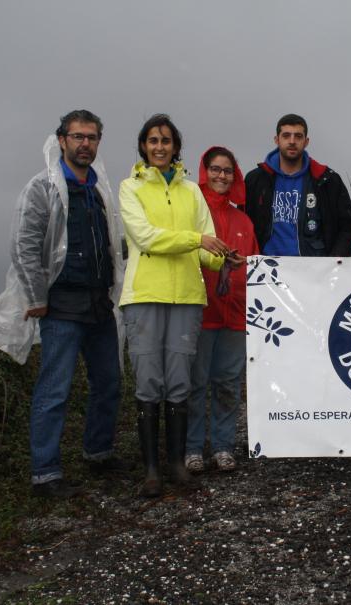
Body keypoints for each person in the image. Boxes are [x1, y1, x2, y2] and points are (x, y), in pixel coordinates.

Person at [0, 109, 128, 498]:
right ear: (61, 140)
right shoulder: (42, 187)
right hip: (60, 306)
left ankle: (98, 453)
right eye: (77, 137)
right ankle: (45, 473)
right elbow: (24, 246)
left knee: (109, 382)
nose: (85, 144)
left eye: (92, 138)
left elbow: (115, 245)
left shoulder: (101, 190)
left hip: (98, 304)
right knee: (54, 390)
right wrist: (37, 297)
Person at [118, 115, 243, 497]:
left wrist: (223, 257)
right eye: (153, 140)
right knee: (148, 380)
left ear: (176, 147)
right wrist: (198, 241)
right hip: (145, 295)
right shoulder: (130, 187)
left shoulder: (192, 191)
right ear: (143, 145)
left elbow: (207, 246)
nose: (160, 147)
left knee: (178, 381)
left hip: (187, 297)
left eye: (167, 141)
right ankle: (151, 470)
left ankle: (176, 465)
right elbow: (144, 237)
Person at [185, 147, 259, 473]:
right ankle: (192, 448)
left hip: (235, 313)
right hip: (202, 311)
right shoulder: (193, 213)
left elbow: (254, 263)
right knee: (196, 382)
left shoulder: (243, 219)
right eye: (215, 169)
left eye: (227, 171)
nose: (221, 176)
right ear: (204, 171)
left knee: (228, 382)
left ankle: (224, 445)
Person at [244, 113, 351, 256]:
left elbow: (349, 226)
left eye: (298, 136)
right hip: (266, 268)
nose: (292, 141)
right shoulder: (256, 179)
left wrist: (333, 261)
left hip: (313, 270)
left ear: (306, 141)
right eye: (286, 136)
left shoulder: (327, 180)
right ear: (276, 140)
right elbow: (243, 224)